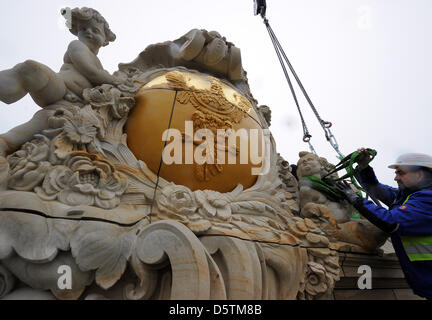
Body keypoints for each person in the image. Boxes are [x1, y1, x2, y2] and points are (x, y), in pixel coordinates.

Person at [0, 7, 124, 156]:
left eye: (95, 31)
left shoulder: (101, 68)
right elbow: (90, 72)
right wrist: (119, 82)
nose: (89, 32)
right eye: (83, 28)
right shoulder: (77, 46)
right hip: (59, 88)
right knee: (31, 70)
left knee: (35, 126)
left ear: (105, 40)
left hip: (70, 106)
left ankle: (4, 144)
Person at [337, 149, 432, 299]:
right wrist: (364, 166)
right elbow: (377, 189)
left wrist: (355, 199)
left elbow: (390, 222)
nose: (395, 177)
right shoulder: (406, 196)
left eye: (401, 173)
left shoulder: (427, 200)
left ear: (419, 175)